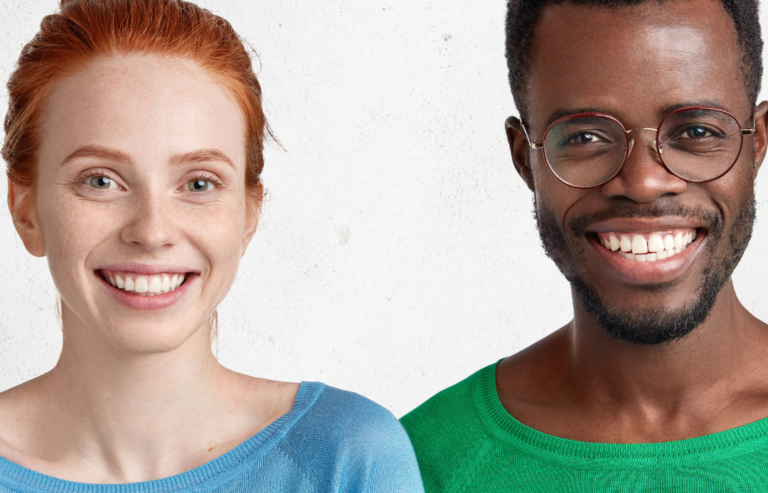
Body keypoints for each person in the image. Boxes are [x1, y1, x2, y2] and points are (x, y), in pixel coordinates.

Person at [0, 0, 424, 491]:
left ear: (248, 217)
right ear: (25, 210)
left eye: (198, 184)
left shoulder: (345, 456)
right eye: (100, 180)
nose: (152, 231)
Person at [402, 0, 768, 490]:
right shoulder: (419, 462)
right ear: (523, 159)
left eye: (696, 132)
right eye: (586, 137)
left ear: (757, 143)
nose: (641, 182)